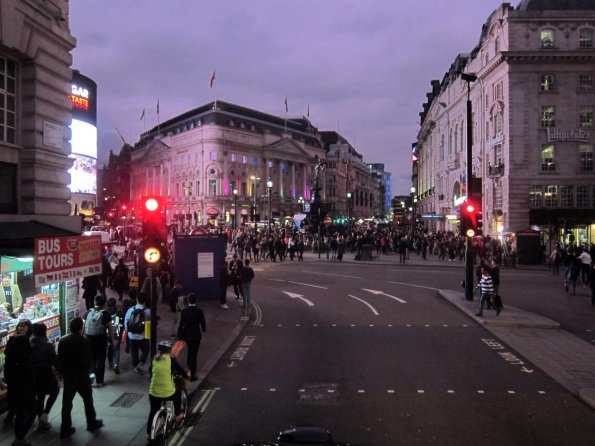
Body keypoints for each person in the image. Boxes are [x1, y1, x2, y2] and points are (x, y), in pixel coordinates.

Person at [57, 317, 103, 439]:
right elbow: (88, 360)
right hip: (81, 376)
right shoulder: (84, 341)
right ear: (81, 328)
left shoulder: (63, 340)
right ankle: (91, 422)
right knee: (88, 400)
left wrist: (62, 373)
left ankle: (65, 428)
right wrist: (90, 372)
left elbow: (59, 358)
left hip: (69, 376)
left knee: (66, 404)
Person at [146, 340, 189, 442]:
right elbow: (180, 370)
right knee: (177, 393)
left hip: (153, 392)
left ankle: (148, 433)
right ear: (169, 351)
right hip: (167, 393)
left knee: (153, 411)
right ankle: (178, 416)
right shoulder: (171, 360)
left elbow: (150, 371)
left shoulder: (154, 359)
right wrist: (186, 376)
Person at [3, 319, 36, 446]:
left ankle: (18, 439)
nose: (22, 328)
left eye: (24, 326)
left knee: (20, 413)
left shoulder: (11, 358)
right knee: (31, 412)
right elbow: (30, 375)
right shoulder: (26, 359)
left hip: (14, 389)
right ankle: (20, 438)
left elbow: (7, 374)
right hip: (26, 390)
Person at [30, 322, 60, 432]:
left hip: (34, 374)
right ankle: (45, 414)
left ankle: (41, 419)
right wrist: (60, 373)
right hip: (46, 373)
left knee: (40, 396)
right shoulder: (47, 344)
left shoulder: (30, 343)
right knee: (55, 391)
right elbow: (54, 360)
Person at [83, 294, 114, 387]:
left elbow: (83, 326)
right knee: (100, 360)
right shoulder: (106, 313)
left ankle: (92, 380)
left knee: (91, 360)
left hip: (89, 339)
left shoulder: (88, 312)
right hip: (101, 339)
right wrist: (112, 340)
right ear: (103, 303)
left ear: (94, 302)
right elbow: (110, 328)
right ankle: (100, 381)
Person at [177, 293, 206, 381]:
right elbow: (202, 323)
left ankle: (189, 368)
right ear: (195, 301)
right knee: (194, 354)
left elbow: (181, 324)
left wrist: (179, 335)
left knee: (190, 352)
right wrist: (203, 329)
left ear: (188, 301)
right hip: (196, 335)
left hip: (187, 335)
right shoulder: (199, 311)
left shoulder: (184, 311)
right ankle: (192, 375)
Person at [125, 291, 151, 375]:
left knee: (134, 352)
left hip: (131, 335)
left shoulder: (130, 310)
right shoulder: (148, 311)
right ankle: (140, 364)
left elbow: (126, 322)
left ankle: (135, 366)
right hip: (143, 336)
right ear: (145, 300)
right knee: (146, 350)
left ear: (136, 299)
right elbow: (150, 324)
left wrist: (127, 332)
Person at [105, 297, 123, 374]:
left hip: (108, 334)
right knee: (117, 349)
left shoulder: (105, 313)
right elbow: (121, 324)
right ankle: (116, 365)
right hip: (116, 333)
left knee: (110, 348)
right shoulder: (119, 313)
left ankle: (110, 362)